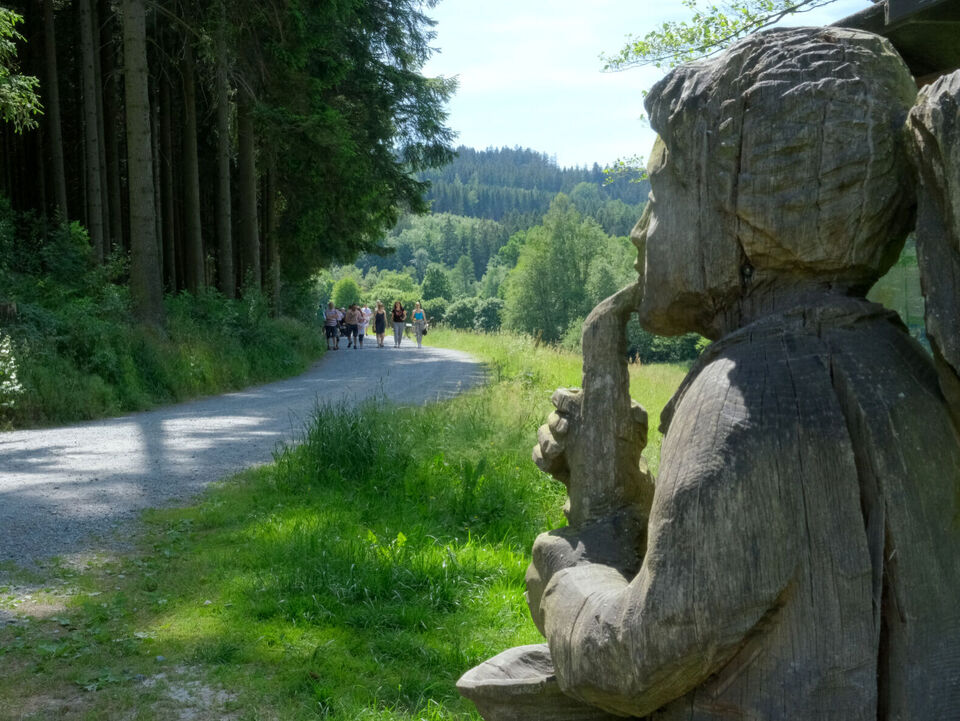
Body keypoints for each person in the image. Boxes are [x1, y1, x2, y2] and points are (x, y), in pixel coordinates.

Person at [462, 28, 960, 721]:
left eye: (660, 195)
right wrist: (621, 493)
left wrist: (570, 573)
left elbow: (636, 657)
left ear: (744, 216)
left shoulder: (743, 398)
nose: (640, 230)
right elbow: (747, 564)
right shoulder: (900, 368)